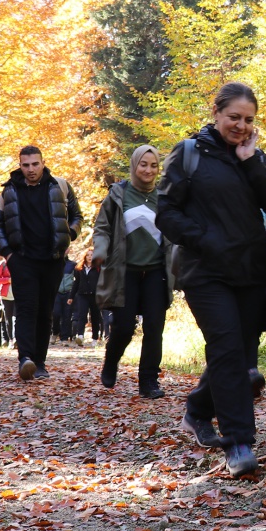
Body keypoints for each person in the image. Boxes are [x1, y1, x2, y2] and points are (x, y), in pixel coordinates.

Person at [156, 82, 266, 477]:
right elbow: (166, 212)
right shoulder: (190, 152)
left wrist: (250, 161)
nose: (241, 126)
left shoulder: (255, 156)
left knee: (236, 351)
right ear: (216, 112)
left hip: (251, 271)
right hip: (205, 271)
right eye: (234, 117)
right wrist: (205, 240)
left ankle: (197, 411)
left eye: (249, 120)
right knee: (229, 349)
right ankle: (238, 443)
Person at [0, 145, 82, 380]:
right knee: (26, 309)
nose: (31, 169)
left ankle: (39, 363)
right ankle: (25, 359)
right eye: (25, 165)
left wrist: (68, 235)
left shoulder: (59, 186)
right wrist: (8, 254)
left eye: (35, 164)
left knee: (45, 311)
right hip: (22, 259)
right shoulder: (9, 191)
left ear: (42, 163)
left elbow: (77, 215)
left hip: (52, 259)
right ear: (19, 165)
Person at [93, 145, 175, 397]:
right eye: (143, 164)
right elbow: (103, 228)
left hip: (155, 272)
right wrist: (100, 249)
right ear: (134, 165)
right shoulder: (119, 194)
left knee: (154, 327)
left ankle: (148, 381)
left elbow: (174, 234)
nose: (148, 170)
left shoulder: (164, 198)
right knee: (124, 327)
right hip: (124, 271)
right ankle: (111, 361)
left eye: (153, 165)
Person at [72, 253, 101, 344]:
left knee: (95, 317)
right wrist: (71, 296)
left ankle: (95, 338)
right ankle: (80, 336)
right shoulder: (79, 269)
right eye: (88, 255)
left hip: (94, 295)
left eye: (92, 255)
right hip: (82, 295)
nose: (89, 257)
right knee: (82, 315)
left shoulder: (98, 268)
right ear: (85, 256)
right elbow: (76, 283)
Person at [54, 265, 77, 343]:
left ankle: (64, 337)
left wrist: (72, 292)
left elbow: (77, 280)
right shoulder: (54, 263)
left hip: (68, 292)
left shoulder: (72, 265)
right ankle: (55, 332)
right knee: (56, 313)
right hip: (57, 292)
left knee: (67, 315)